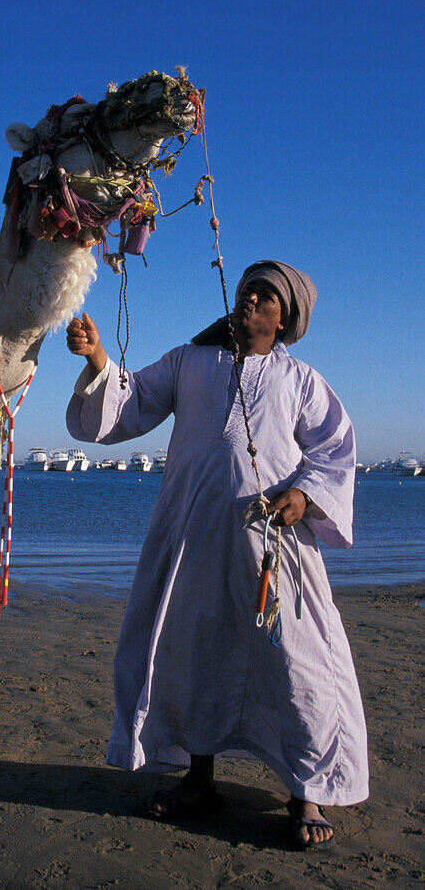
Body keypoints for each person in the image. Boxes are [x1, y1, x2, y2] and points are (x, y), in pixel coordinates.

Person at [66, 261, 368, 849]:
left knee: (297, 663)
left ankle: (306, 792)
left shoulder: (300, 380)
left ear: (286, 319)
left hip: (271, 551)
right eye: (249, 286)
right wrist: (99, 360)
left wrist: (303, 495)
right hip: (192, 542)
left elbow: (335, 449)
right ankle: (199, 780)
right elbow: (132, 402)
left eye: (267, 294)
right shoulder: (190, 361)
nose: (252, 295)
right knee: (196, 653)